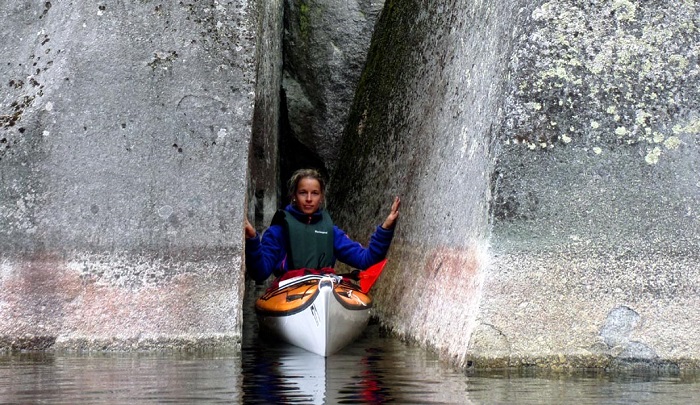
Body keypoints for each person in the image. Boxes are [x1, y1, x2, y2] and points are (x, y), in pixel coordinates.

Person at [244, 168, 400, 283]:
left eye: (315, 193)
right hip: (289, 291)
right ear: (294, 196)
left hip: (323, 287)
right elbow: (260, 273)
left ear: (321, 197)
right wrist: (252, 239)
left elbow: (366, 260)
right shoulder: (277, 232)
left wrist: (385, 229)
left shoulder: (331, 232)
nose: (309, 199)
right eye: (303, 192)